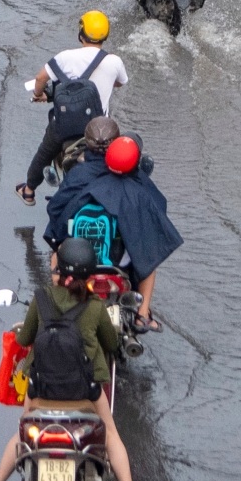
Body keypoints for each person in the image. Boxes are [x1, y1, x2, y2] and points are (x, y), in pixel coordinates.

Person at [0, 238, 144, 481]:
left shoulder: (41, 299)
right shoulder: (94, 308)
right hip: (85, 394)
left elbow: (24, 338)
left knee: (21, 432)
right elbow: (110, 341)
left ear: (59, 272)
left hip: (42, 390)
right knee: (111, 433)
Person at [45, 132, 180, 333]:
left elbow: (60, 216)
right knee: (149, 261)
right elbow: (154, 224)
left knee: (57, 251)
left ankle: (57, 300)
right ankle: (143, 314)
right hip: (121, 263)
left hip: (83, 261)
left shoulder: (87, 186)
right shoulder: (139, 192)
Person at [17, 12, 129, 202]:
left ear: (81, 34)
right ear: (106, 34)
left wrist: (38, 94)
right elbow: (120, 83)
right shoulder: (114, 61)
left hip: (66, 125)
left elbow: (40, 78)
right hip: (100, 128)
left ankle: (28, 190)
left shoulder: (65, 57)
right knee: (117, 155)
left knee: (45, 151)